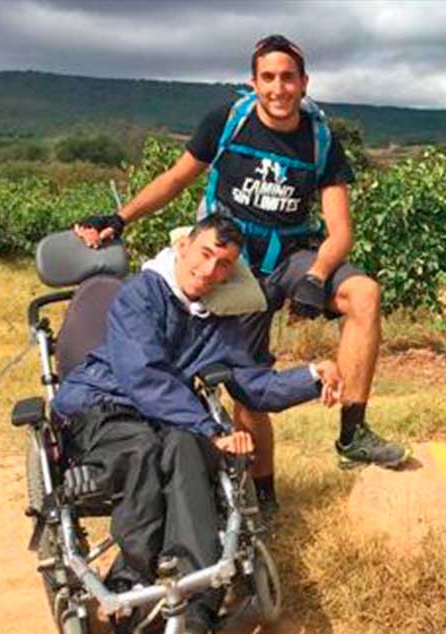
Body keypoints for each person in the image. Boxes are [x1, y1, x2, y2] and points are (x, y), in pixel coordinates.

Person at [75, 34, 410, 514]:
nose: (278, 88)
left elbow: (340, 231)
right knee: (248, 387)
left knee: (364, 294)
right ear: (253, 83)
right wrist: (121, 218)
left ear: (304, 83)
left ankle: (353, 432)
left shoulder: (320, 140)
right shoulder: (227, 122)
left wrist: (316, 276)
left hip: (292, 256)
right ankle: (263, 498)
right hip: (233, 268)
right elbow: (175, 179)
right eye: (268, 78)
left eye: (288, 78)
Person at [53, 216, 343, 633]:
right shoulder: (141, 294)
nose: (209, 272)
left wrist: (313, 375)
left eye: (224, 264)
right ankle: (130, 580)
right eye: (205, 254)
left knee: (187, 450)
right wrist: (212, 428)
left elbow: (251, 385)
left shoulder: (219, 318)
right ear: (184, 246)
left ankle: (198, 597)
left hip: (167, 416)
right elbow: (144, 374)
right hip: (105, 403)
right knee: (144, 449)